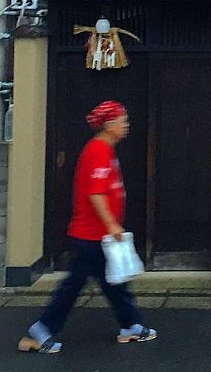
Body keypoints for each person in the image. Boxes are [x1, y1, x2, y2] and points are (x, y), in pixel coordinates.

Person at [18, 100, 157, 354]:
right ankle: (42, 330)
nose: (126, 125)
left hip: (96, 234)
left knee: (113, 283)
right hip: (91, 234)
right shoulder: (99, 151)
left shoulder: (104, 150)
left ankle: (130, 326)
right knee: (76, 286)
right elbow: (96, 193)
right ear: (110, 124)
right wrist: (112, 224)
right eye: (123, 120)